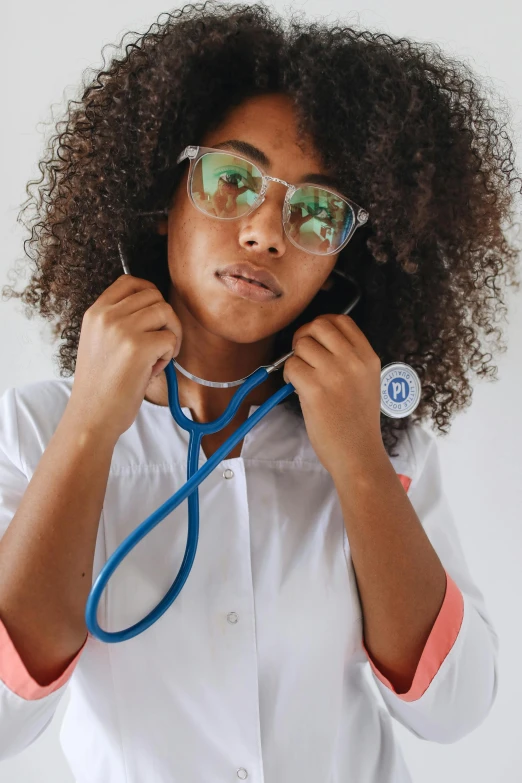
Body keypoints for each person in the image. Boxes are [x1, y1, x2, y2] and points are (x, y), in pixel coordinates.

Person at [0, 2, 519, 781]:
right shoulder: (40, 428)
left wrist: (357, 459)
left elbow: (454, 706)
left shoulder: (383, 440)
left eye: (317, 210)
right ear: (162, 187)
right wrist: (89, 428)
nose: (266, 232)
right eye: (232, 179)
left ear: (347, 257)